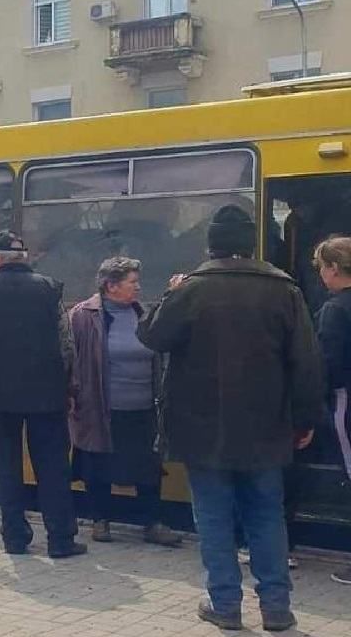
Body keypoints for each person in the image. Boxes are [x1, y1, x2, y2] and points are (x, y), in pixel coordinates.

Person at [137, 205, 324, 632]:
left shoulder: (193, 289)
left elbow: (152, 336)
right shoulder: (285, 290)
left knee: (215, 517)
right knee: (266, 515)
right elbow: (307, 363)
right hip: (267, 428)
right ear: (250, 244)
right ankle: (276, 608)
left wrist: (170, 291)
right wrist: (305, 418)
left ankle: (226, 605)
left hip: (203, 430)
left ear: (212, 245)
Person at [0, 230, 87, 559]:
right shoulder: (49, 288)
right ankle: (60, 540)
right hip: (48, 395)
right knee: (53, 467)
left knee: (7, 468)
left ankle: (15, 538)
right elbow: (66, 345)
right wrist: (70, 387)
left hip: (0, 398)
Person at [68, 257, 182, 547]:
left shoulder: (141, 313)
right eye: (132, 282)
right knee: (99, 463)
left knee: (147, 466)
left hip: (143, 406)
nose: (138, 287)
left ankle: (151, 522)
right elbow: (69, 359)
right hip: (101, 407)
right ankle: (100, 520)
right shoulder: (84, 316)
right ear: (111, 286)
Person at [313, 236, 351, 586]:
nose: (321, 274)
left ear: (334, 268)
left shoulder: (336, 310)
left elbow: (327, 364)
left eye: (321, 267)